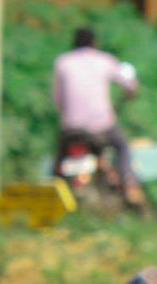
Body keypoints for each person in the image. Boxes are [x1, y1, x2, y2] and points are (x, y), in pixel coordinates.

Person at [53, 26, 145, 208]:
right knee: (122, 146)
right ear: (94, 43)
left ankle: (54, 193)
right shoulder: (104, 60)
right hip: (102, 126)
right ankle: (127, 183)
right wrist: (131, 91)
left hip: (71, 128)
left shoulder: (62, 62)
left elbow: (58, 99)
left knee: (59, 158)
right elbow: (130, 85)